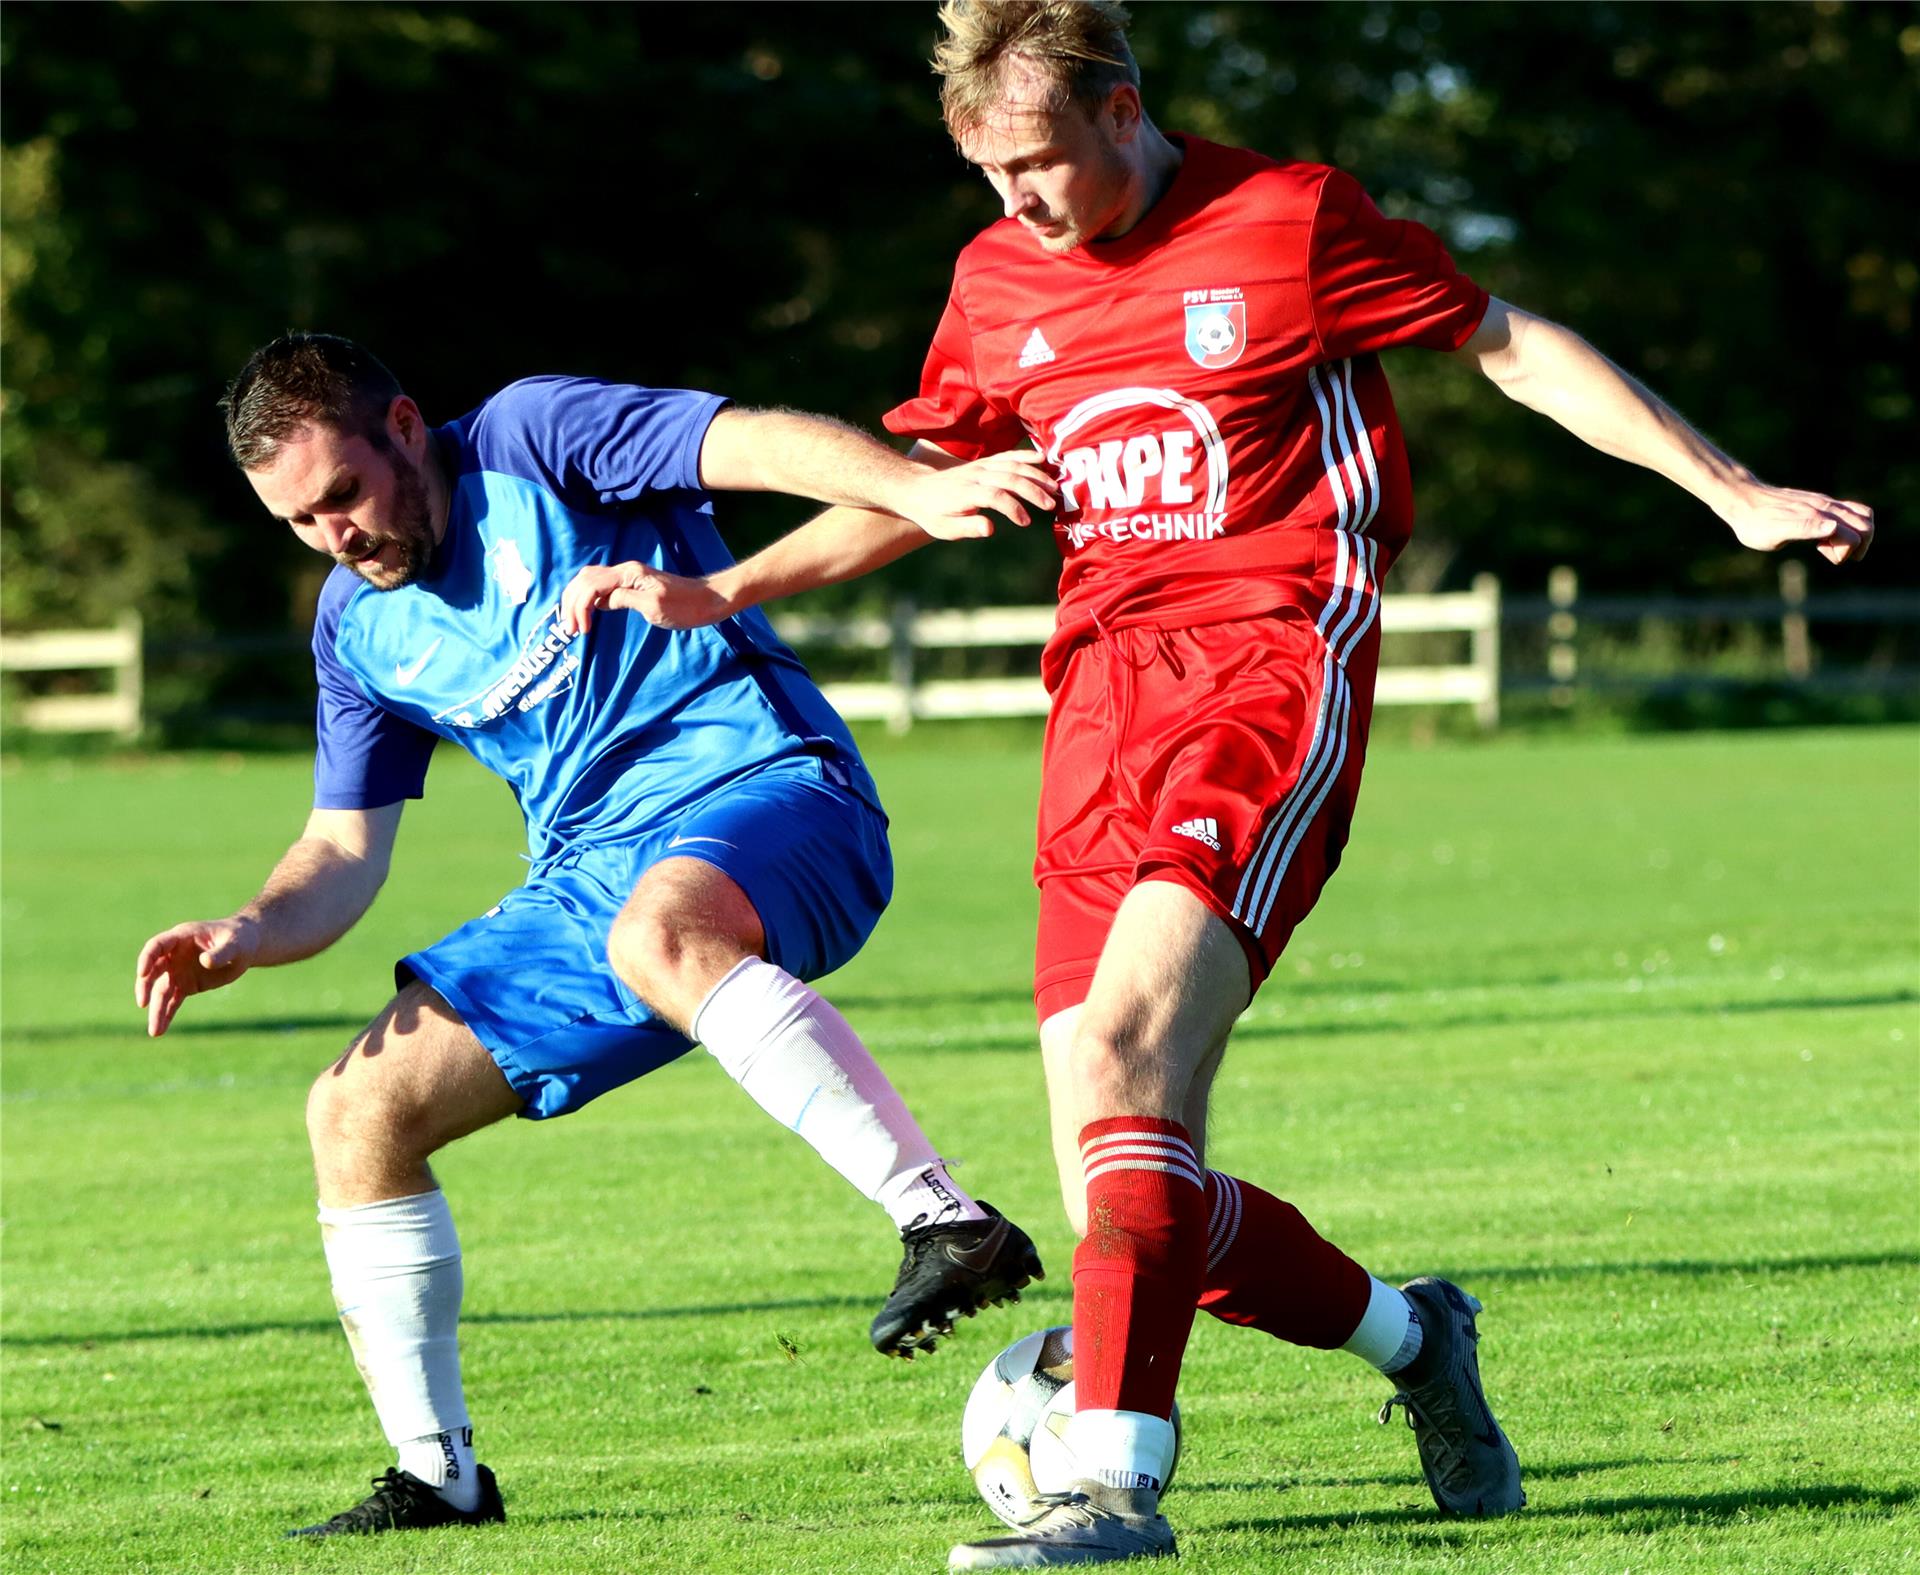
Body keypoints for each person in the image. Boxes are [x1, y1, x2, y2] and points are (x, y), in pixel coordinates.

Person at [564, 3, 1876, 1566]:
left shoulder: (1288, 220)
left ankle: (1110, 1484)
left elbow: (1509, 345)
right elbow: (924, 488)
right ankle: (1417, 1340)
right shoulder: (995, 283)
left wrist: (1726, 493)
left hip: (1267, 668)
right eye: (987, 173)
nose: (1017, 204)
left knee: (1125, 1054)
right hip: (1097, 712)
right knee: (1125, 1164)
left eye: (1041, 163)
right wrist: (731, 591)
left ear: (1126, 110)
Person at [132, 332, 1061, 1538]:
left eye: (343, 496)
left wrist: (913, 488)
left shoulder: (534, 439)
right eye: (299, 523)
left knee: (657, 933)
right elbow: (344, 853)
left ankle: (945, 1220)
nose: (335, 538)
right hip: (585, 882)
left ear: (407, 426)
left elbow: (753, 440)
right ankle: (438, 1477)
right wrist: (247, 930)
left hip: (773, 791)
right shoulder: (356, 630)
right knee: (359, 1111)